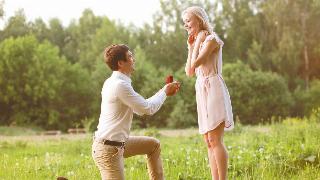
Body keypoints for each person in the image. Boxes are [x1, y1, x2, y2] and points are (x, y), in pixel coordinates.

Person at [91, 44, 180, 180]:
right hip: (108, 150)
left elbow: (140, 108)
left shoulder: (116, 82)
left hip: (119, 143)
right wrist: (165, 92)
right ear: (121, 63)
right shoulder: (119, 85)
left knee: (153, 145)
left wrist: (163, 91)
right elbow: (147, 109)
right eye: (130, 56)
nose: (134, 59)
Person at [182, 6, 234, 180]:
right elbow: (189, 72)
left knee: (215, 139)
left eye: (188, 20)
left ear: (199, 19)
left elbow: (197, 63)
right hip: (202, 90)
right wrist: (191, 46)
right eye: (185, 22)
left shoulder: (212, 40)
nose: (186, 25)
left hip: (213, 89)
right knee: (208, 141)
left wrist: (197, 43)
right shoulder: (198, 42)